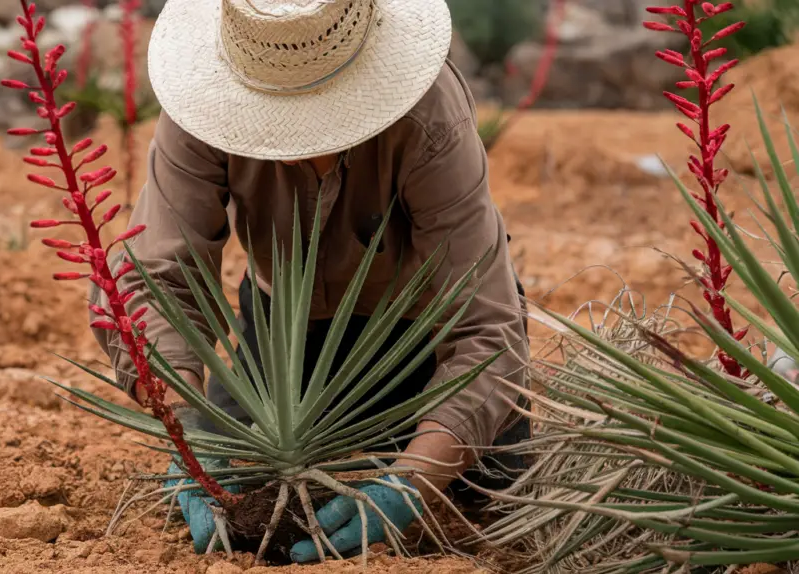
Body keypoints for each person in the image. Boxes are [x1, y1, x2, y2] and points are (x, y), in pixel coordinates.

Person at [90, 0, 531, 563]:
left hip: (423, 348)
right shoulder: (201, 108)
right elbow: (152, 276)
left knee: (494, 503)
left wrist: (410, 485)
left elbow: (487, 328)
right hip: (282, 345)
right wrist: (189, 437)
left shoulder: (430, 116)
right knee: (246, 497)